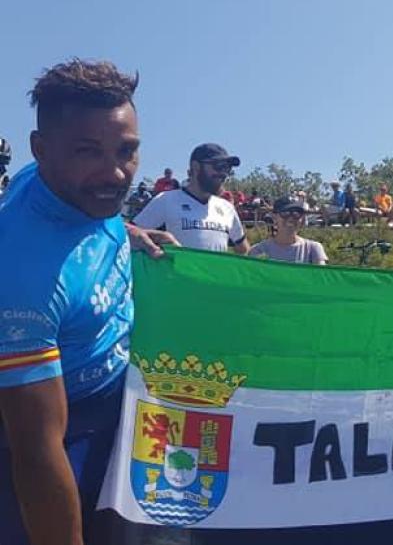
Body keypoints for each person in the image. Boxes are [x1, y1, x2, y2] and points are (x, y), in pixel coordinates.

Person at [0, 59, 175, 545]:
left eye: (127, 151)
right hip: (61, 431)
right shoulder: (21, 273)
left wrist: (128, 229)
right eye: (88, 152)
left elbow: (94, 206)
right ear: (41, 149)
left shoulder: (73, 188)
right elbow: (36, 450)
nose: (115, 173)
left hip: (129, 405)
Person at [131, 143, 250, 253]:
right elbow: (127, 236)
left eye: (227, 168)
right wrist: (158, 240)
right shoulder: (166, 201)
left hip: (214, 276)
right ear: (196, 166)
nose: (223, 174)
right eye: (218, 167)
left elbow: (243, 249)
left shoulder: (227, 208)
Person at [247, 196, 328, 265]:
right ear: (274, 217)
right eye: (285, 213)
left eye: (296, 213)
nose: (291, 218)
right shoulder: (259, 250)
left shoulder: (313, 249)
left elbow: (321, 278)